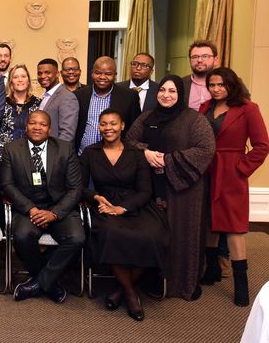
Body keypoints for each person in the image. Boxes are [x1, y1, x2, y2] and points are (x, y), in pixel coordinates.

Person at [126, 75, 215, 301]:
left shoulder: (194, 120)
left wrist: (168, 160)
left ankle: (181, 284)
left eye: (172, 91)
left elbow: (206, 149)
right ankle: (150, 281)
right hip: (149, 187)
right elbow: (128, 141)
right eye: (163, 90)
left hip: (183, 190)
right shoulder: (146, 117)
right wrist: (144, 152)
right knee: (151, 233)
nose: (166, 95)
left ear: (181, 94)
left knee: (181, 233)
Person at [80, 109, 169, 321]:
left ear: (122, 126)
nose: (108, 128)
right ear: (98, 127)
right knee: (112, 233)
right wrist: (96, 198)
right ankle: (131, 294)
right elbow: (81, 187)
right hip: (104, 204)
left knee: (153, 235)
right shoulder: (90, 153)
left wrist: (123, 209)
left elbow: (146, 191)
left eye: (113, 123)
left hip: (136, 205)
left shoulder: (136, 153)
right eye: (103, 124)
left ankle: (121, 290)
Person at [198, 67, 269, 306]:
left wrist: (241, 169)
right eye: (212, 85)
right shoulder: (204, 108)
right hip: (207, 171)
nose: (216, 89)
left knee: (233, 227)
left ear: (231, 85)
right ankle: (212, 271)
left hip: (231, 173)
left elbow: (261, 145)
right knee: (209, 222)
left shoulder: (248, 109)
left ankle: (241, 284)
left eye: (221, 85)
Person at [5, 110, 84, 304]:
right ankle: (50, 284)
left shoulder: (65, 149)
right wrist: (30, 209)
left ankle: (40, 283)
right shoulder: (11, 149)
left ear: (50, 129)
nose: (37, 127)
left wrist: (55, 213)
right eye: (33, 123)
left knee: (77, 238)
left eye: (42, 124)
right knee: (22, 236)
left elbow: (76, 188)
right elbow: (7, 185)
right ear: (26, 126)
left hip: (59, 208)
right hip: (29, 207)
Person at [75, 56, 141, 154]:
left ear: (115, 75)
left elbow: (135, 130)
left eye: (108, 74)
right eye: (97, 73)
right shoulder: (79, 95)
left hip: (117, 158)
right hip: (83, 156)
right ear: (92, 73)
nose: (102, 77)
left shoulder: (129, 96)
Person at [0, 64, 41, 157]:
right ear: (11, 81)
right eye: (15, 77)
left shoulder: (39, 104)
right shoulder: (1, 103)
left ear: (28, 80)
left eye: (23, 76)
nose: (20, 80)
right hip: (6, 155)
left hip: (31, 155)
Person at [37, 58, 80, 142]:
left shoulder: (67, 97)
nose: (42, 76)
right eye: (40, 73)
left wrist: (58, 154)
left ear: (57, 74)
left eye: (47, 73)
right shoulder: (46, 96)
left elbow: (67, 134)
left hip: (56, 152)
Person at [184, 40, 219, 111]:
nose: (199, 60)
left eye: (205, 56)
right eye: (195, 57)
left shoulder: (230, 83)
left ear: (215, 60)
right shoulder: (180, 84)